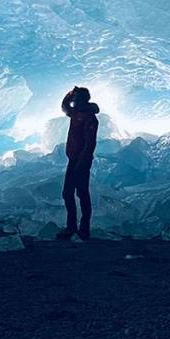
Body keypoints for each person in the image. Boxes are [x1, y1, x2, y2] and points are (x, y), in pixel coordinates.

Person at [57, 86, 99, 240]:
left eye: (76, 100)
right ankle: (72, 227)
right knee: (68, 193)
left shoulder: (90, 118)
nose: (74, 103)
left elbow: (90, 143)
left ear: (83, 101)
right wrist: (70, 94)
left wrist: (82, 162)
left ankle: (84, 229)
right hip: (73, 159)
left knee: (81, 193)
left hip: (82, 160)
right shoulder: (75, 113)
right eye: (74, 100)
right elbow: (64, 106)